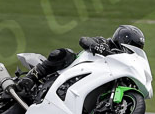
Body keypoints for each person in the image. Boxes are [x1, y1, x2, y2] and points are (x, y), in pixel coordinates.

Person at [15, 25, 145, 94]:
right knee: (64, 53)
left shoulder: (121, 63)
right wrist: (96, 46)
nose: (132, 49)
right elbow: (84, 40)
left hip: (93, 79)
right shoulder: (104, 42)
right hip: (74, 67)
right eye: (131, 44)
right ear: (122, 38)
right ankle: (31, 78)